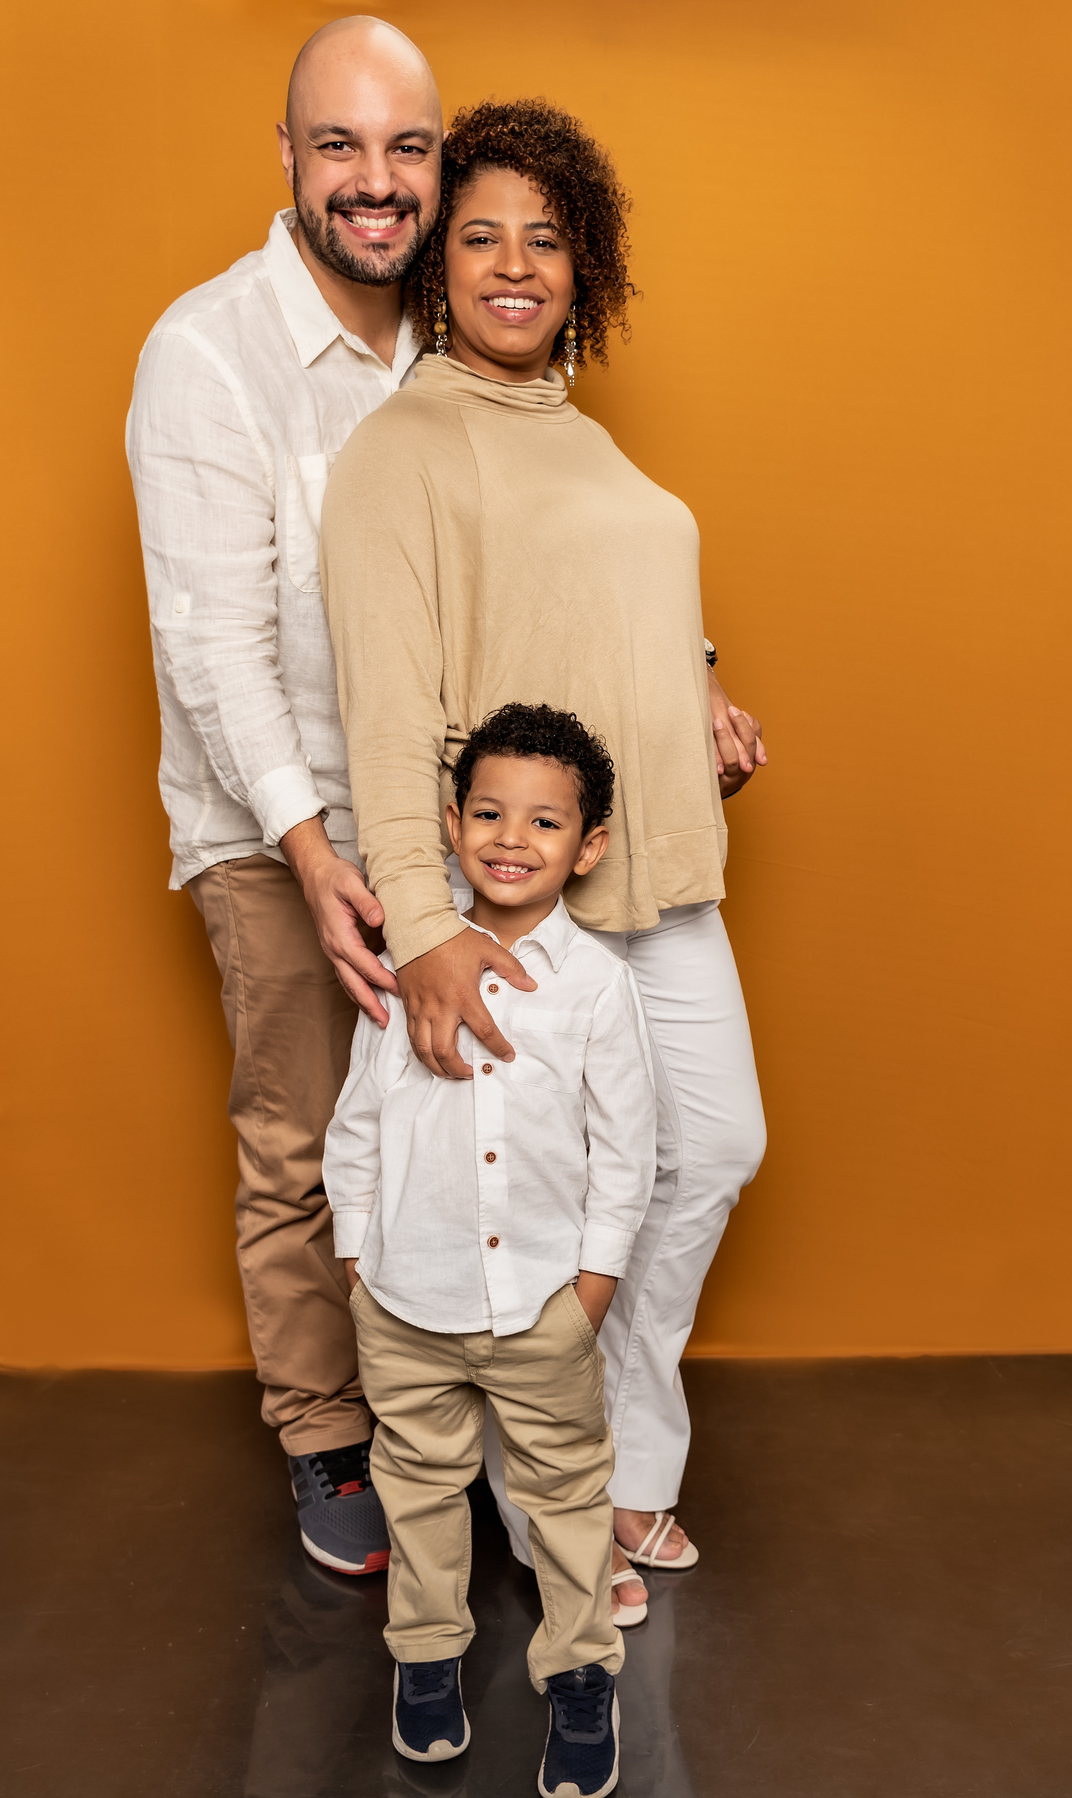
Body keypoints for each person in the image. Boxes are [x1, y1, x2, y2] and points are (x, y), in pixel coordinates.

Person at [321, 99, 768, 1615]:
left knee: (705, 1154)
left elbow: (606, 586)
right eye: (482, 237)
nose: (516, 265)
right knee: (544, 1196)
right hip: (514, 900)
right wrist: (424, 923)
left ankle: (619, 1456)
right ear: (437, 263)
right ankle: (558, 1498)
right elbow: (388, 712)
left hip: (655, 863)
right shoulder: (400, 450)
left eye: (548, 239)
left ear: (587, 266)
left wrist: (696, 678)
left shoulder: (577, 428)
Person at [125, 17, 444, 1573]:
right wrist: (315, 859)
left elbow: (559, 535)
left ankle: (454, 1421)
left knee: (464, 1132)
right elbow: (214, 648)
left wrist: (691, 665)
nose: (375, 182)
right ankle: (326, 1432)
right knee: (302, 1139)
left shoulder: (473, 328)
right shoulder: (206, 353)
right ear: (289, 157)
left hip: (448, 819)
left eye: (407, 147)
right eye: (341, 146)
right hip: (274, 823)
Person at [324, 704, 656, 1798]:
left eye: (545, 821)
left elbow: (627, 1150)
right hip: (404, 1303)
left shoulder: (596, 985)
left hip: (543, 1306)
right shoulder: (403, 965)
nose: (512, 838)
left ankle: (580, 1674)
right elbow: (358, 1125)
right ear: (452, 823)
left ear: (587, 847)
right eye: (488, 813)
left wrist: (592, 1286)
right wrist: (361, 1262)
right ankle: (425, 1660)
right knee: (418, 1487)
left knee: (566, 1497)